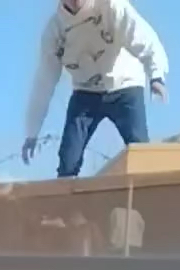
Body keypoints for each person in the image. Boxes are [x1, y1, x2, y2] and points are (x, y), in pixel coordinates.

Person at [23, 0, 168, 181]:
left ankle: (149, 196)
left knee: (139, 151)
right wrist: (32, 131)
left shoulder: (111, 7)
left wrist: (156, 76)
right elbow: (44, 81)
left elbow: (144, 38)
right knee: (68, 159)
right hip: (85, 93)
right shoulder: (55, 30)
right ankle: (64, 203)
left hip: (124, 86)